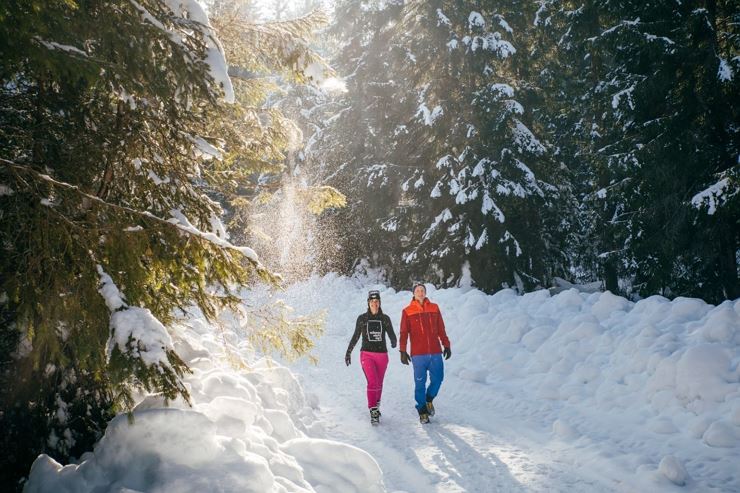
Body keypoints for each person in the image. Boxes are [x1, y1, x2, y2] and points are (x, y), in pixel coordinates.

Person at [399, 282, 451, 424]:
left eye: (422, 290)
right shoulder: (407, 311)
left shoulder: (434, 308)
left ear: (425, 292)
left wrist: (446, 344)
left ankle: (429, 399)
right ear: (414, 294)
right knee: (419, 383)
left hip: (435, 352)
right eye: (417, 291)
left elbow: (441, 328)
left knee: (438, 379)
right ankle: (422, 409)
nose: (420, 293)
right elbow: (404, 333)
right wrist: (402, 350)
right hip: (418, 354)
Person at [345, 290, 397, 425]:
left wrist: (393, 340)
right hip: (367, 354)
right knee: (372, 382)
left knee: (379, 383)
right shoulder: (362, 318)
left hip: (382, 356)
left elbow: (391, 333)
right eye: (372, 301)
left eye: (376, 301)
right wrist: (349, 351)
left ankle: (377, 404)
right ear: (368, 303)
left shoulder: (385, 319)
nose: (374, 304)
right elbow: (356, 335)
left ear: (379, 303)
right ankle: (373, 409)